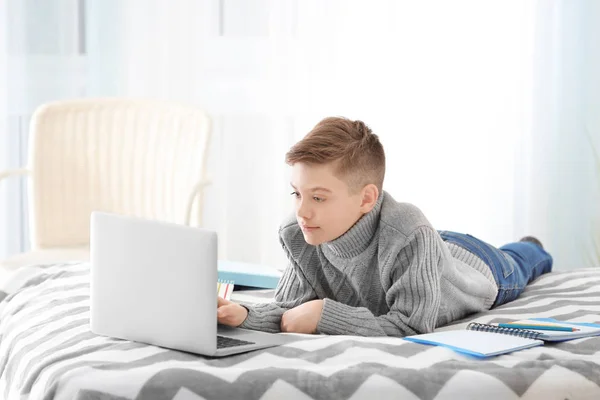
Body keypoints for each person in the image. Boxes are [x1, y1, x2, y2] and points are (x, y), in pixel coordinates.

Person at [217, 117, 553, 337]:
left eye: (318, 198)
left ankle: (531, 244)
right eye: (296, 193)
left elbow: (409, 325)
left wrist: (326, 313)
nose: (302, 211)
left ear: (366, 198)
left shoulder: (409, 231)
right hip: (424, 245)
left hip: (477, 265)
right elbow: (290, 311)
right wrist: (243, 314)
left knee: (525, 259)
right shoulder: (297, 232)